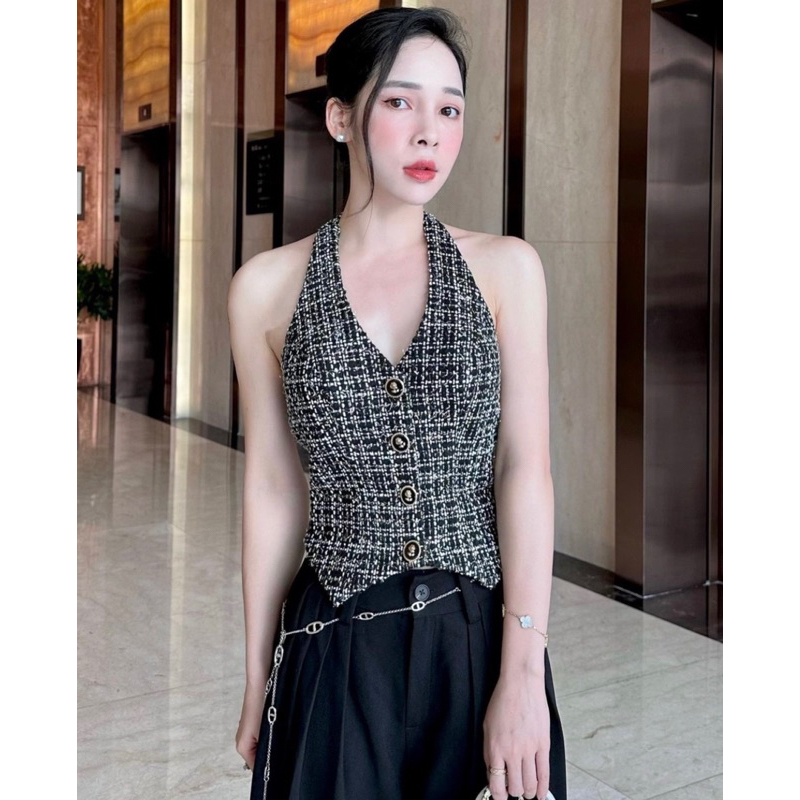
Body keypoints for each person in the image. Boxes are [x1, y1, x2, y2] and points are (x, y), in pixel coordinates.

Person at [227, 7, 567, 800]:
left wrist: (523, 671)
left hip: (479, 642)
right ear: (340, 117)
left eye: (449, 109)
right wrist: (255, 677)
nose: (428, 134)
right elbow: (274, 488)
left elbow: (525, 469)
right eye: (400, 101)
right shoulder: (265, 289)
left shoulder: (507, 270)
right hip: (332, 645)